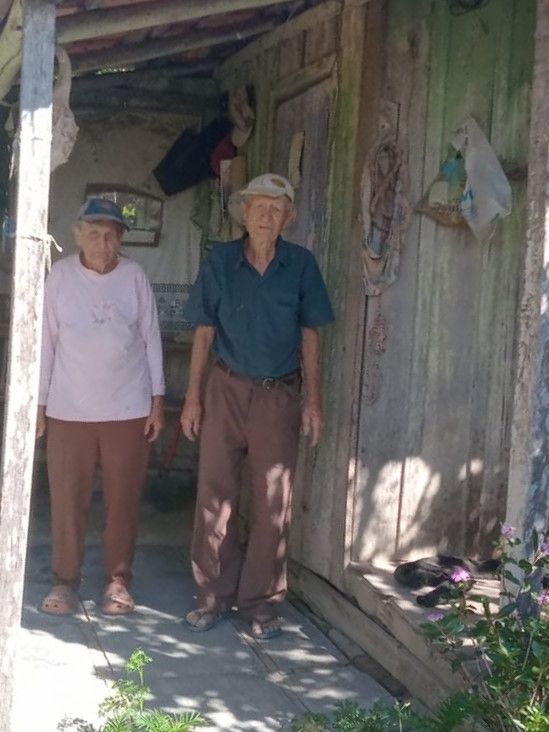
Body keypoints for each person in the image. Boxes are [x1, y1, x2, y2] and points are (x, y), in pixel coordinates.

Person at [179, 173, 334, 640]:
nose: (267, 216)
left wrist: (313, 401)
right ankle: (212, 597)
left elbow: (311, 333)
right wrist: (191, 398)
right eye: (258, 207)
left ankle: (261, 605)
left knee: (272, 501)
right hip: (225, 389)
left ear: (287, 217)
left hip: (278, 394)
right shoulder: (221, 262)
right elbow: (203, 332)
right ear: (243, 213)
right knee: (214, 496)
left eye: (276, 209)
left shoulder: (301, 265)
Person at [37, 197, 165, 616]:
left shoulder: (134, 276)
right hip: (68, 408)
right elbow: (44, 343)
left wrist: (157, 400)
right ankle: (65, 580)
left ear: (121, 239)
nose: (102, 243)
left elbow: (151, 339)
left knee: (123, 497)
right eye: (93, 234)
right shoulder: (59, 277)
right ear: (78, 235)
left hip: (127, 407)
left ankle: (117, 580)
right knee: (67, 497)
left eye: (110, 235)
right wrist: (38, 403)